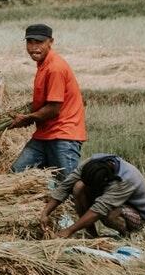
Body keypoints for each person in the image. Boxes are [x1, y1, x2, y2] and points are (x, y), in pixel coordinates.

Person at [8, 24, 86, 180]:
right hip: (45, 134)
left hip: (63, 135)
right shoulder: (43, 65)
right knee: (17, 174)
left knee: (67, 184)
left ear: (51, 42)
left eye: (39, 42)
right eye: (30, 42)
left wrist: (26, 118)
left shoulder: (55, 68)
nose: (34, 47)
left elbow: (53, 109)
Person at [40, 154, 145, 238]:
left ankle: (127, 236)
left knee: (109, 213)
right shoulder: (93, 163)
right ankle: (92, 235)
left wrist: (69, 230)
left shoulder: (126, 179)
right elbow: (66, 185)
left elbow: (99, 210)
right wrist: (45, 213)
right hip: (113, 202)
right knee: (78, 187)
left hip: (138, 216)